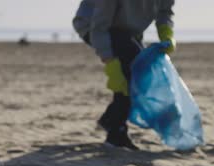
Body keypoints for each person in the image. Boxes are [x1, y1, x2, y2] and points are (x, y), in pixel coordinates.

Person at [73, 0, 176, 150]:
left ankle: (110, 118)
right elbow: (100, 27)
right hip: (94, 25)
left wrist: (166, 33)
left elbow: (164, 12)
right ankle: (116, 134)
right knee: (128, 74)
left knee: (141, 72)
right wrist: (110, 62)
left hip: (128, 31)